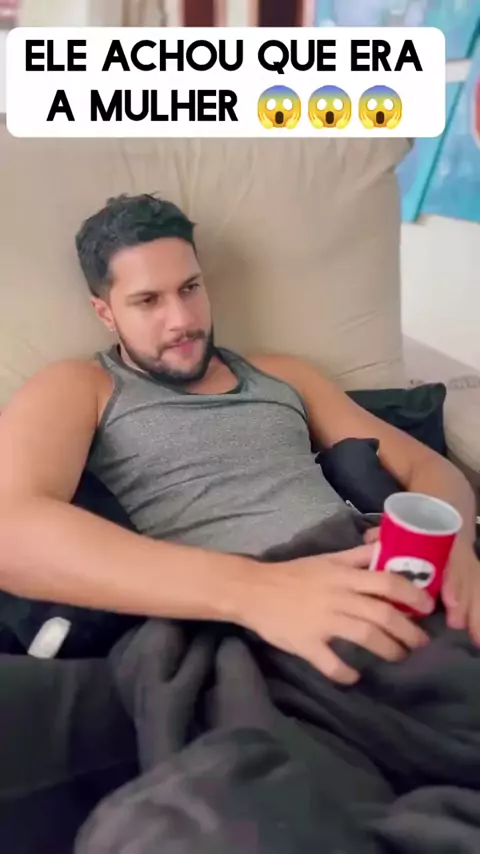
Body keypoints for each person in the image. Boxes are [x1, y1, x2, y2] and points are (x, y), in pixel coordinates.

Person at [0, 193, 478, 685]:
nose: (182, 320)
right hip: (241, 626)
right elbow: (10, 530)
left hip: (371, 577)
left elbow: (425, 467)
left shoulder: (285, 375)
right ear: (105, 313)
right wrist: (257, 591)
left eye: (190, 288)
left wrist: (456, 545)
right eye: (148, 301)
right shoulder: (81, 386)